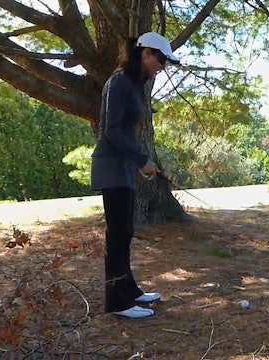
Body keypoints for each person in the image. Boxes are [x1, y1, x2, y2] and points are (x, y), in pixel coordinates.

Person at [90, 32, 180, 319]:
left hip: (122, 167)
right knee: (117, 234)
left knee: (124, 231)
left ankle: (129, 291)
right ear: (145, 53)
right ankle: (117, 303)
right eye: (160, 59)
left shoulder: (131, 84)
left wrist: (138, 163)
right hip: (111, 166)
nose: (162, 66)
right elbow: (112, 130)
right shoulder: (118, 82)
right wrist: (142, 160)